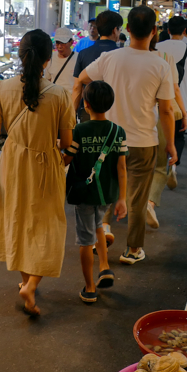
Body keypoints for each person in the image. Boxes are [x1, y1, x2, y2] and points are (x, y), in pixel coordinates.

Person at [0, 30, 75, 317]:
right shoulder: (59, 94)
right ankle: (31, 284)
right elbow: (67, 143)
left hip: (13, 162)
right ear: (48, 58)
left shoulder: (1, 88)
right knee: (48, 223)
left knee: (17, 218)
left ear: (20, 54)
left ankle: (24, 279)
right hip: (45, 163)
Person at [74, 6, 176, 265]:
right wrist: (171, 145)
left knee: (105, 188)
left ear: (127, 29)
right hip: (144, 142)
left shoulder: (111, 58)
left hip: (108, 137)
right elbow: (166, 111)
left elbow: (83, 79)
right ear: (154, 31)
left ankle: (104, 229)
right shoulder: (161, 65)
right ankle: (133, 250)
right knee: (138, 199)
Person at [64, 80, 128, 304]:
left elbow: (67, 159)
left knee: (84, 239)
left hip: (84, 194)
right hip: (107, 194)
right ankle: (105, 267)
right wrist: (122, 198)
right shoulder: (118, 131)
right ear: (109, 104)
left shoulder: (79, 131)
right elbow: (121, 167)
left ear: (86, 104)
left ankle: (89, 287)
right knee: (99, 224)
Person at [153, 15, 187, 192]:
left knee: (157, 133)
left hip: (158, 100)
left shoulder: (157, 47)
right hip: (179, 102)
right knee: (178, 136)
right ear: (185, 31)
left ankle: (156, 165)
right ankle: (173, 165)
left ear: (168, 30)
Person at [71, 10, 122, 119]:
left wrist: (71, 115)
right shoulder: (122, 55)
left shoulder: (83, 53)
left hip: (88, 112)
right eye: (119, 29)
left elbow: (76, 88)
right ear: (114, 30)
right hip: (114, 113)